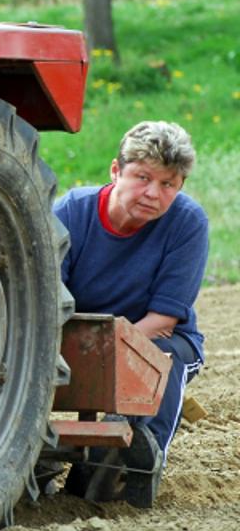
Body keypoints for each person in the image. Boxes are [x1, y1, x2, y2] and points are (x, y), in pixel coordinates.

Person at [53, 120, 207, 500]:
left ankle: (139, 464)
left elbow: (164, 320)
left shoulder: (187, 223)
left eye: (167, 184)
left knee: (160, 359)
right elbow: (48, 299)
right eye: (142, 177)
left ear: (180, 187)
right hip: (75, 335)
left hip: (156, 337)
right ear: (115, 171)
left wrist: (105, 355)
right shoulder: (72, 213)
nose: (153, 193)